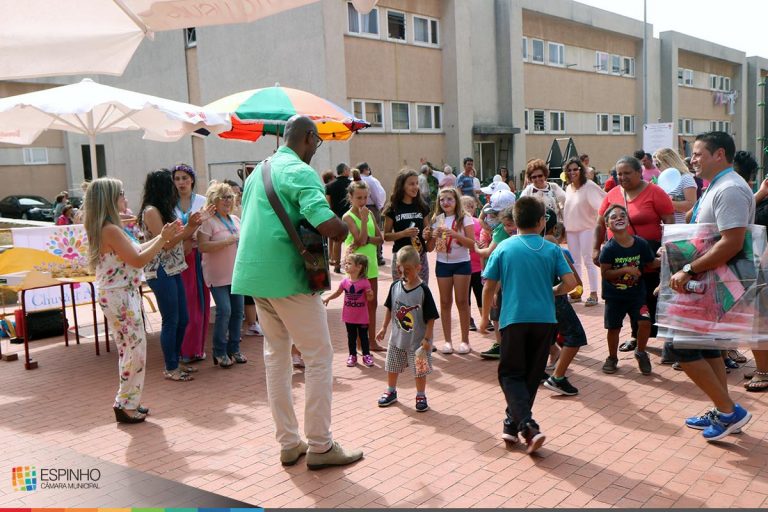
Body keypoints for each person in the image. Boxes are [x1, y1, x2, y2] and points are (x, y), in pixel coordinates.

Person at [231, 115, 363, 469]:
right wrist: (348, 223)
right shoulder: (302, 173)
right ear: (307, 137)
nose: (313, 151)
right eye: (315, 143)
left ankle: (289, 442)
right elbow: (327, 225)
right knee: (319, 356)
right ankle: (320, 445)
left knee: (276, 356)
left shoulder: (258, 171)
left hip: (255, 275)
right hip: (288, 276)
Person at [666, 131, 753, 441]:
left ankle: (730, 411)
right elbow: (706, 237)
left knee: (680, 347)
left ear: (719, 155)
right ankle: (722, 408)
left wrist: (688, 269)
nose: (692, 158)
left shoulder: (728, 189)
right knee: (705, 347)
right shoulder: (717, 186)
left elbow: (731, 243)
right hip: (705, 283)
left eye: (699, 153)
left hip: (714, 284)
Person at [479, 196, 576, 454]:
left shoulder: (504, 248)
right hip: (545, 320)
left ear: (516, 220)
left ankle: (528, 426)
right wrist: (552, 291)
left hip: (514, 319)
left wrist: (484, 317)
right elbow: (571, 283)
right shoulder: (551, 249)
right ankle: (512, 424)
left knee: (510, 374)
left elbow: (489, 286)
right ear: (542, 221)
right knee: (531, 375)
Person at [84, 178, 182, 423]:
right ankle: (125, 403)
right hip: (119, 295)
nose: (125, 198)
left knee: (130, 349)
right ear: (110, 198)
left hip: (119, 293)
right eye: (121, 193)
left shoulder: (109, 227)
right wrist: (162, 239)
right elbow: (138, 260)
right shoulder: (110, 229)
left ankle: (129, 400)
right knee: (134, 350)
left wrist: (161, 236)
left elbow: (136, 250)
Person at [593, 156, 675, 353]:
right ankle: (634, 336)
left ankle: (656, 338)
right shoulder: (612, 193)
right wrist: (596, 248)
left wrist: (668, 249)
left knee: (649, 296)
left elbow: (670, 221)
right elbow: (599, 223)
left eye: (627, 173)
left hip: (647, 254)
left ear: (639, 172)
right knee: (626, 293)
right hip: (619, 257)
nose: (622, 177)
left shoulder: (655, 192)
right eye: (619, 174)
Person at [139, 169, 208, 382]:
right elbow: (167, 243)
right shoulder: (151, 211)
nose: (175, 186)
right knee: (171, 320)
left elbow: (175, 238)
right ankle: (170, 366)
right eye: (171, 182)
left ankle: (176, 361)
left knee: (183, 318)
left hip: (174, 268)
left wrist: (193, 225)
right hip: (160, 270)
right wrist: (190, 227)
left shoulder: (164, 209)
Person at [375, 246, 439, 412]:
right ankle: (391, 391)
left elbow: (431, 316)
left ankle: (421, 394)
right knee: (391, 365)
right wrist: (383, 327)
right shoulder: (395, 286)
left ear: (419, 268)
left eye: (408, 270)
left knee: (420, 370)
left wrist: (427, 339)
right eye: (400, 270)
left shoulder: (423, 290)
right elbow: (390, 307)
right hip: (397, 338)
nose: (404, 275)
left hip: (417, 341)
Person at [599, 205, 658, 375]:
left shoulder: (640, 243)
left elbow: (651, 262)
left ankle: (640, 351)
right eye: (613, 216)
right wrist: (625, 270)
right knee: (614, 328)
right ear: (607, 224)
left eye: (622, 214)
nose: (619, 217)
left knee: (645, 322)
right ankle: (612, 357)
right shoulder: (609, 249)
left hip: (637, 295)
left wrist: (665, 256)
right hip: (614, 296)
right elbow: (606, 274)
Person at [197, 182, 246, 369]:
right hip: (217, 276)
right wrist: (227, 241)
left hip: (237, 275)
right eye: (223, 197)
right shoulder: (208, 221)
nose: (227, 200)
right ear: (213, 200)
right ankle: (219, 351)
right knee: (224, 311)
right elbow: (202, 247)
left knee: (238, 313)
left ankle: (234, 349)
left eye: (230, 197)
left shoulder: (235, 219)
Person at [425, 187, 475, 355]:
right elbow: (430, 248)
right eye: (442, 199)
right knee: (445, 303)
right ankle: (447, 341)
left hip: (461, 263)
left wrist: (454, 234)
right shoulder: (436, 220)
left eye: (449, 199)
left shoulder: (465, 219)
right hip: (442, 263)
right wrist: (430, 236)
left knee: (462, 302)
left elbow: (471, 244)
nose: (445, 202)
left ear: (456, 201)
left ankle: (465, 341)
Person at [542, 212, 587, 396]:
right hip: (554, 297)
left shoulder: (518, 243)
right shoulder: (551, 243)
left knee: (542, 335)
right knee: (575, 336)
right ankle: (558, 377)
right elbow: (573, 279)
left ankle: (537, 371)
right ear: (554, 228)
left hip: (531, 300)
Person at [173, 163, 211, 364]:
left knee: (200, 303)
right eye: (177, 178)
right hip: (178, 257)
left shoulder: (202, 201)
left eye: (184, 178)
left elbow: (207, 227)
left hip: (198, 256)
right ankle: (182, 349)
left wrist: (193, 237)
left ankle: (196, 348)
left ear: (192, 180)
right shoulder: (170, 204)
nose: (181, 182)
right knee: (183, 304)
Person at [342, 179, 384, 352]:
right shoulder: (347, 217)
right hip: (355, 269)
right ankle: (359, 342)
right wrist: (365, 223)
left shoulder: (370, 214)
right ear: (350, 198)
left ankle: (372, 341)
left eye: (365, 197)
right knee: (357, 306)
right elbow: (359, 239)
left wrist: (366, 239)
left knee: (371, 303)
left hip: (371, 265)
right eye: (359, 197)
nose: (363, 201)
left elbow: (380, 239)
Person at [562, 157, 605, 306]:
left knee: (589, 260)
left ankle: (593, 293)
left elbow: (603, 206)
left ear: (581, 170)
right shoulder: (568, 188)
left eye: (575, 169)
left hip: (587, 228)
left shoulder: (590, 187)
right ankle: (577, 292)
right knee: (574, 263)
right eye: (569, 170)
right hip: (572, 230)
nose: (573, 172)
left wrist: (600, 227)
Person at [322, 253, 374, 367]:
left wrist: (370, 294)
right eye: (345, 263)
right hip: (349, 316)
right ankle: (352, 355)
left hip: (362, 317)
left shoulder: (365, 282)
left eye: (349, 263)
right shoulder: (344, 282)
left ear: (359, 267)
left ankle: (366, 355)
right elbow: (338, 293)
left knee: (364, 336)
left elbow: (370, 298)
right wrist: (327, 298)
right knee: (351, 336)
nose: (346, 265)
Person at [383, 169, 431, 285]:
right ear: (402, 186)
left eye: (416, 183)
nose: (415, 187)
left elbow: (427, 230)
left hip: (420, 257)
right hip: (401, 257)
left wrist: (427, 234)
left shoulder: (421, 206)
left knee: (421, 292)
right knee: (401, 292)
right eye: (411, 184)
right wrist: (403, 233)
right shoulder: (392, 208)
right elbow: (386, 236)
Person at [460, 195, 485, 332]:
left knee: (480, 293)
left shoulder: (478, 222)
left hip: (477, 266)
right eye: (465, 206)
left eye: (471, 206)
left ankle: (484, 318)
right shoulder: (461, 223)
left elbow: (484, 236)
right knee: (465, 296)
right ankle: (469, 319)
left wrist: (482, 242)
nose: (469, 209)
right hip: (464, 266)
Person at [653, 148, 697, 224]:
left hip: (679, 228)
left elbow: (691, 206)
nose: (657, 168)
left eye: (658, 164)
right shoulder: (662, 180)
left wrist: (666, 202)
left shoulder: (685, 178)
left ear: (668, 162)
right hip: (662, 228)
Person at [358, 162, 387, 266]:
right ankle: (378, 256)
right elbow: (376, 194)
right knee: (375, 230)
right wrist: (380, 207)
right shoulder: (370, 180)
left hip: (356, 208)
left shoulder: (352, 180)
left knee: (359, 230)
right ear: (366, 169)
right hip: (371, 207)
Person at [325, 162, 352, 273]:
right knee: (351, 240)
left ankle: (337, 265)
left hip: (336, 216)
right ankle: (351, 264)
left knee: (337, 241)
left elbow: (328, 202)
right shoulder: (351, 184)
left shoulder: (329, 186)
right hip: (350, 215)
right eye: (348, 169)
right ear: (345, 170)